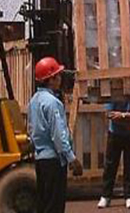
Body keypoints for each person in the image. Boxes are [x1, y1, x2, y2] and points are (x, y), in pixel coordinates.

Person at [28, 56, 84, 213]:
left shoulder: (34, 101)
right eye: (57, 76)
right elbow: (58, 136)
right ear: (50, 79)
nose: (60, 79)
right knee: (54, 207)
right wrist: (71, 158)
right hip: (54, 161)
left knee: (44, 205)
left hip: (41, 160)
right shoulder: (53, 103)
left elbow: (31, 129)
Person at [98, 97, 130, 209]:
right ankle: (105, 196)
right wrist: (129, 117)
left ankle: (129, 196)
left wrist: (123, 116)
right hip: (115, 133)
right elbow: (110, 114)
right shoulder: (114, 93)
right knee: (110, 165)